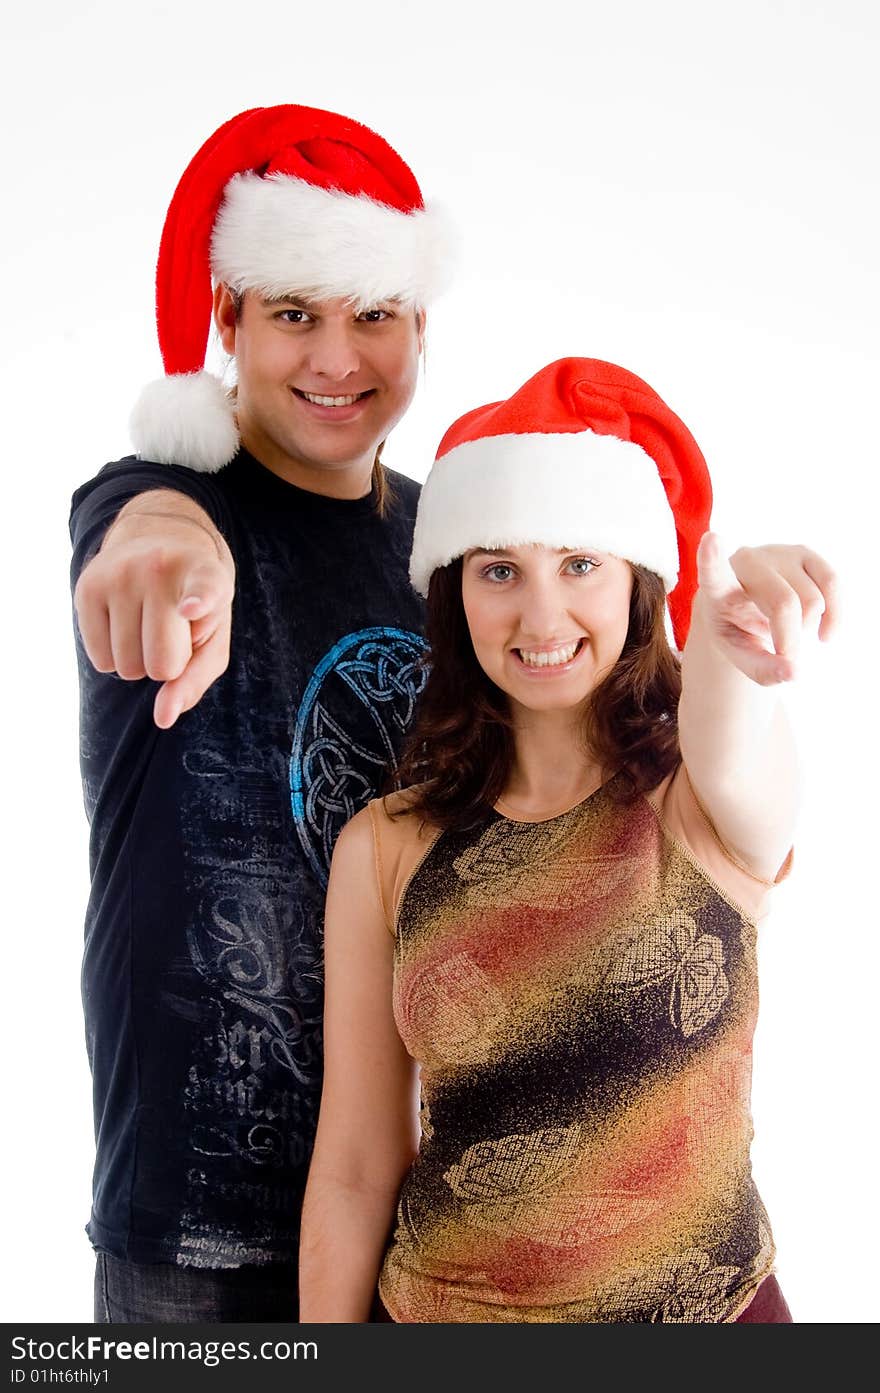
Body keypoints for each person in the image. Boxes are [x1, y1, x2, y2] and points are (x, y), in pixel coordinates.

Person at [298, 357, 836, 1322]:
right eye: (500, 569)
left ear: (635, 578)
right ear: (455, 589)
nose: (541, 616)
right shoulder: (386, 845)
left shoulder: (700, 799)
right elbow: (354, 1163)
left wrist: (725, 650)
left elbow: (738, 741)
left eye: (579, 563)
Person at [69, 103, 454, 1323]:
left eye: (371, 315)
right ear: (228, 321)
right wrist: (170, 559)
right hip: (194, 1220)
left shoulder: (458, 553)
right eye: (294, 313)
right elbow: (139, 533)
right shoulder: (164, 494)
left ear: (418, 328)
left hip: (427, 1203)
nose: (338, 358)